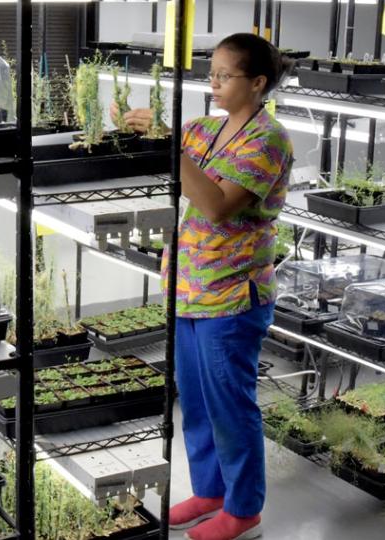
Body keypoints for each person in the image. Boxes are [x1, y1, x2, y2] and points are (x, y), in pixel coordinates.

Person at [115, 34, 293, 540]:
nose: (212, 83)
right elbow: (165, 162)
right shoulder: (202, 131)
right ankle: (210, 491)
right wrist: (133, 126)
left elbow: (217, 206)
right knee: (193, 401)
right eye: (210, 73)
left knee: (230, 405)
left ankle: (243, 510)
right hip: (188, 289)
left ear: (257, 83)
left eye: (224, 75)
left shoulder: (269, 139)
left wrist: (171, 145)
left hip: (233, 295)